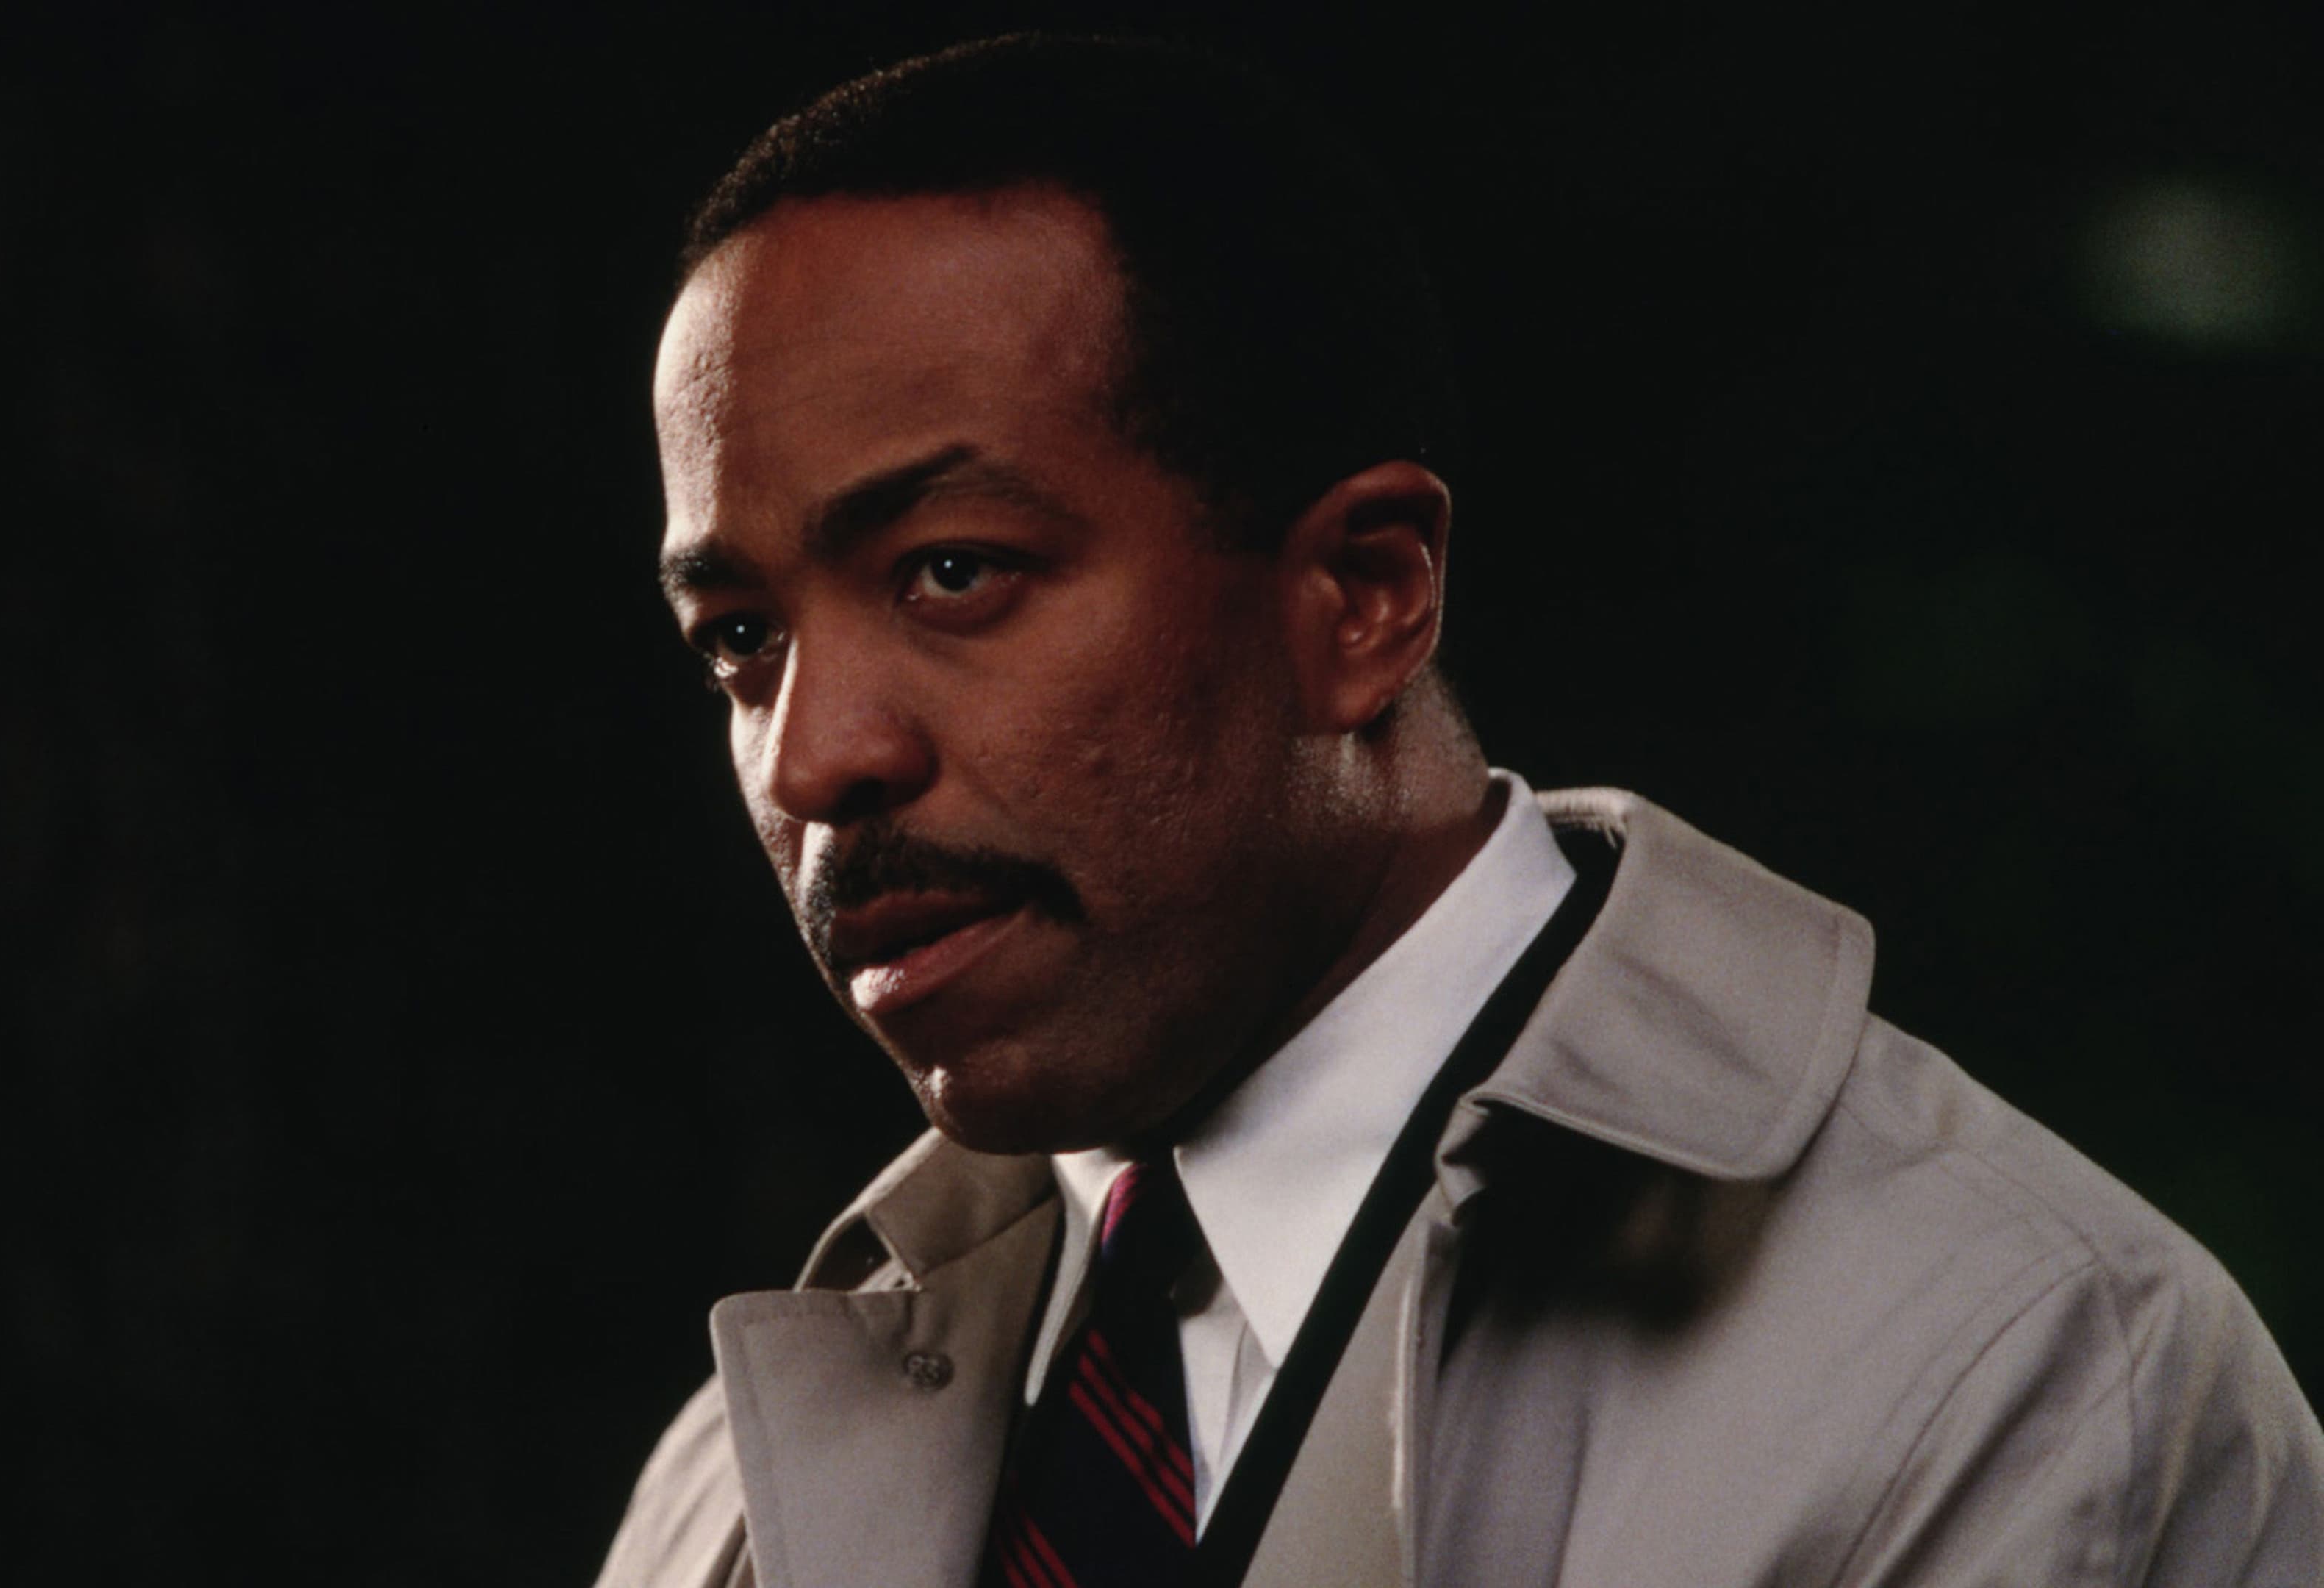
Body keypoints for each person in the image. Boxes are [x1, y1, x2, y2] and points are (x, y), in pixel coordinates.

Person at [599, 33, 2323, 1588]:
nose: (811, 759)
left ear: (1364, 597)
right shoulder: (731, 1484)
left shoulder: (2017, 1372)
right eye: (742, 640)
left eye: (954, 572)